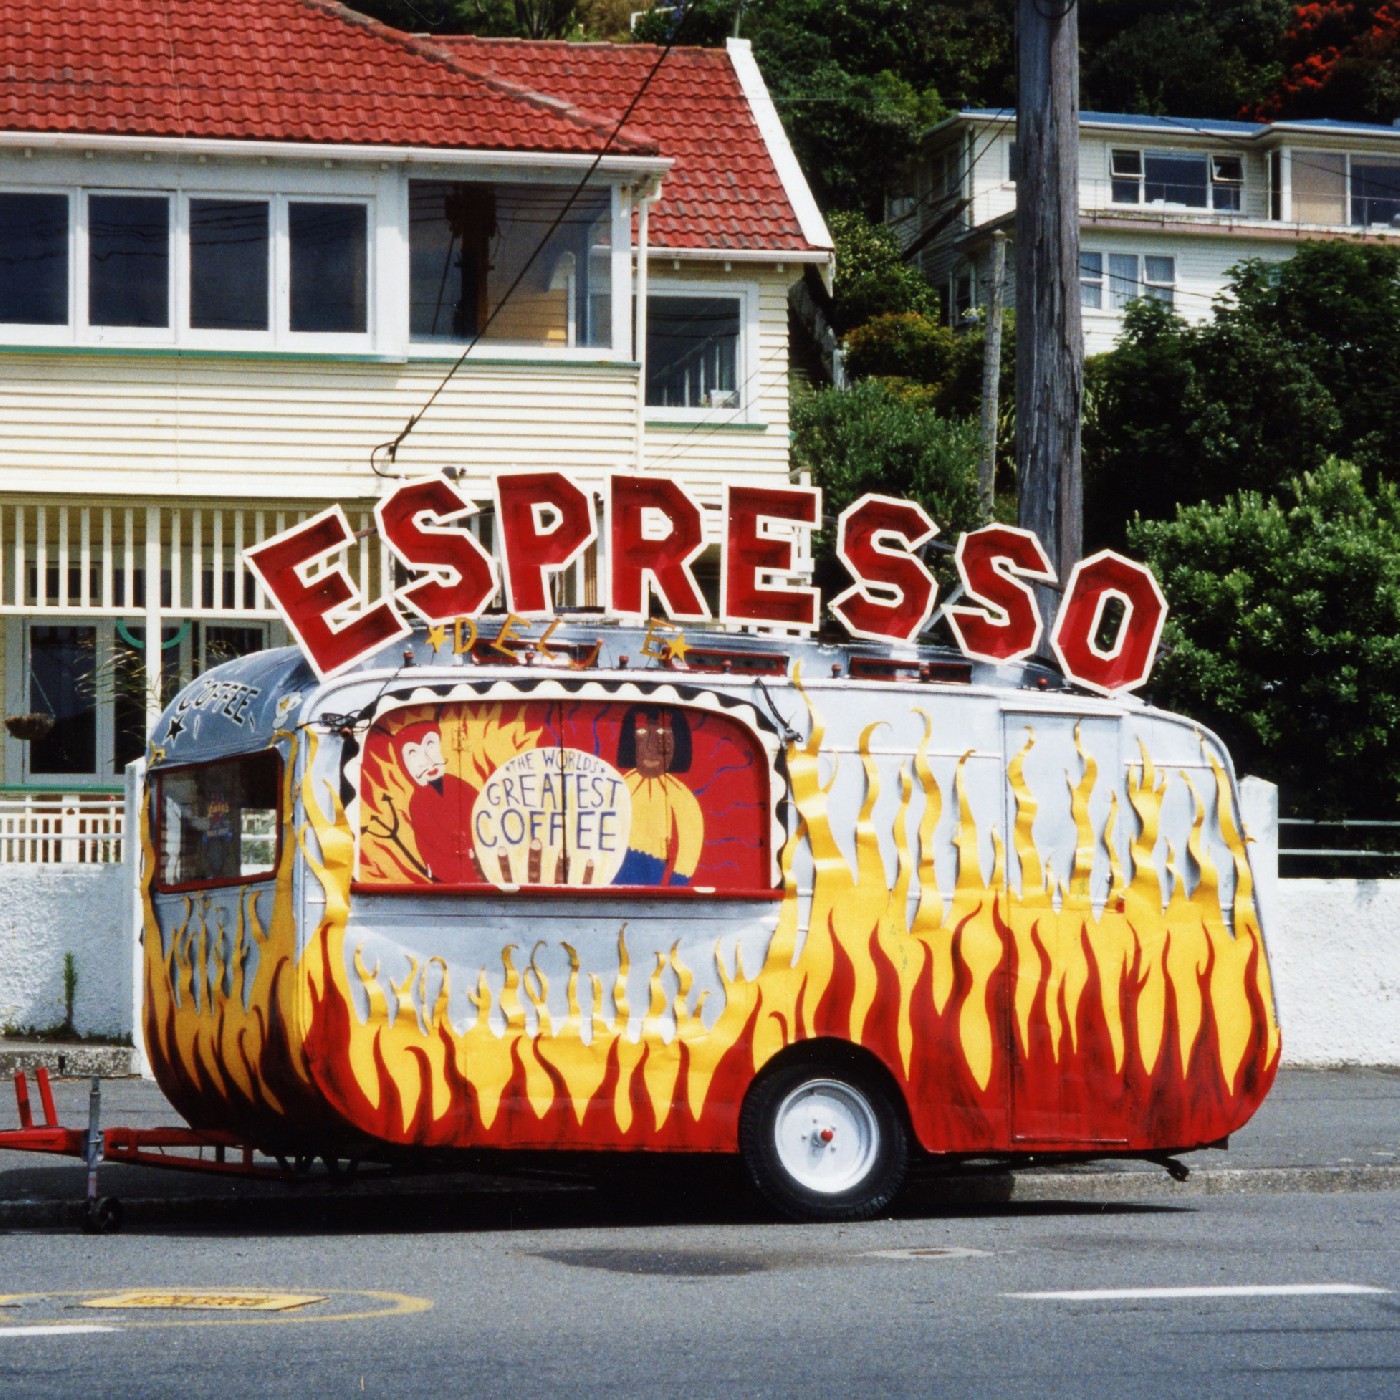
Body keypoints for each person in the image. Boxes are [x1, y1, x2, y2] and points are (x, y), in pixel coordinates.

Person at [614, 705, 703, 887]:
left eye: (662, 743)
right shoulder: (619, 785)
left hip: (653, 872)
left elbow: (689, 846)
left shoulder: (680, 795)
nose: (651, 749)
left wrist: (677, 884)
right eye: (642, 738)